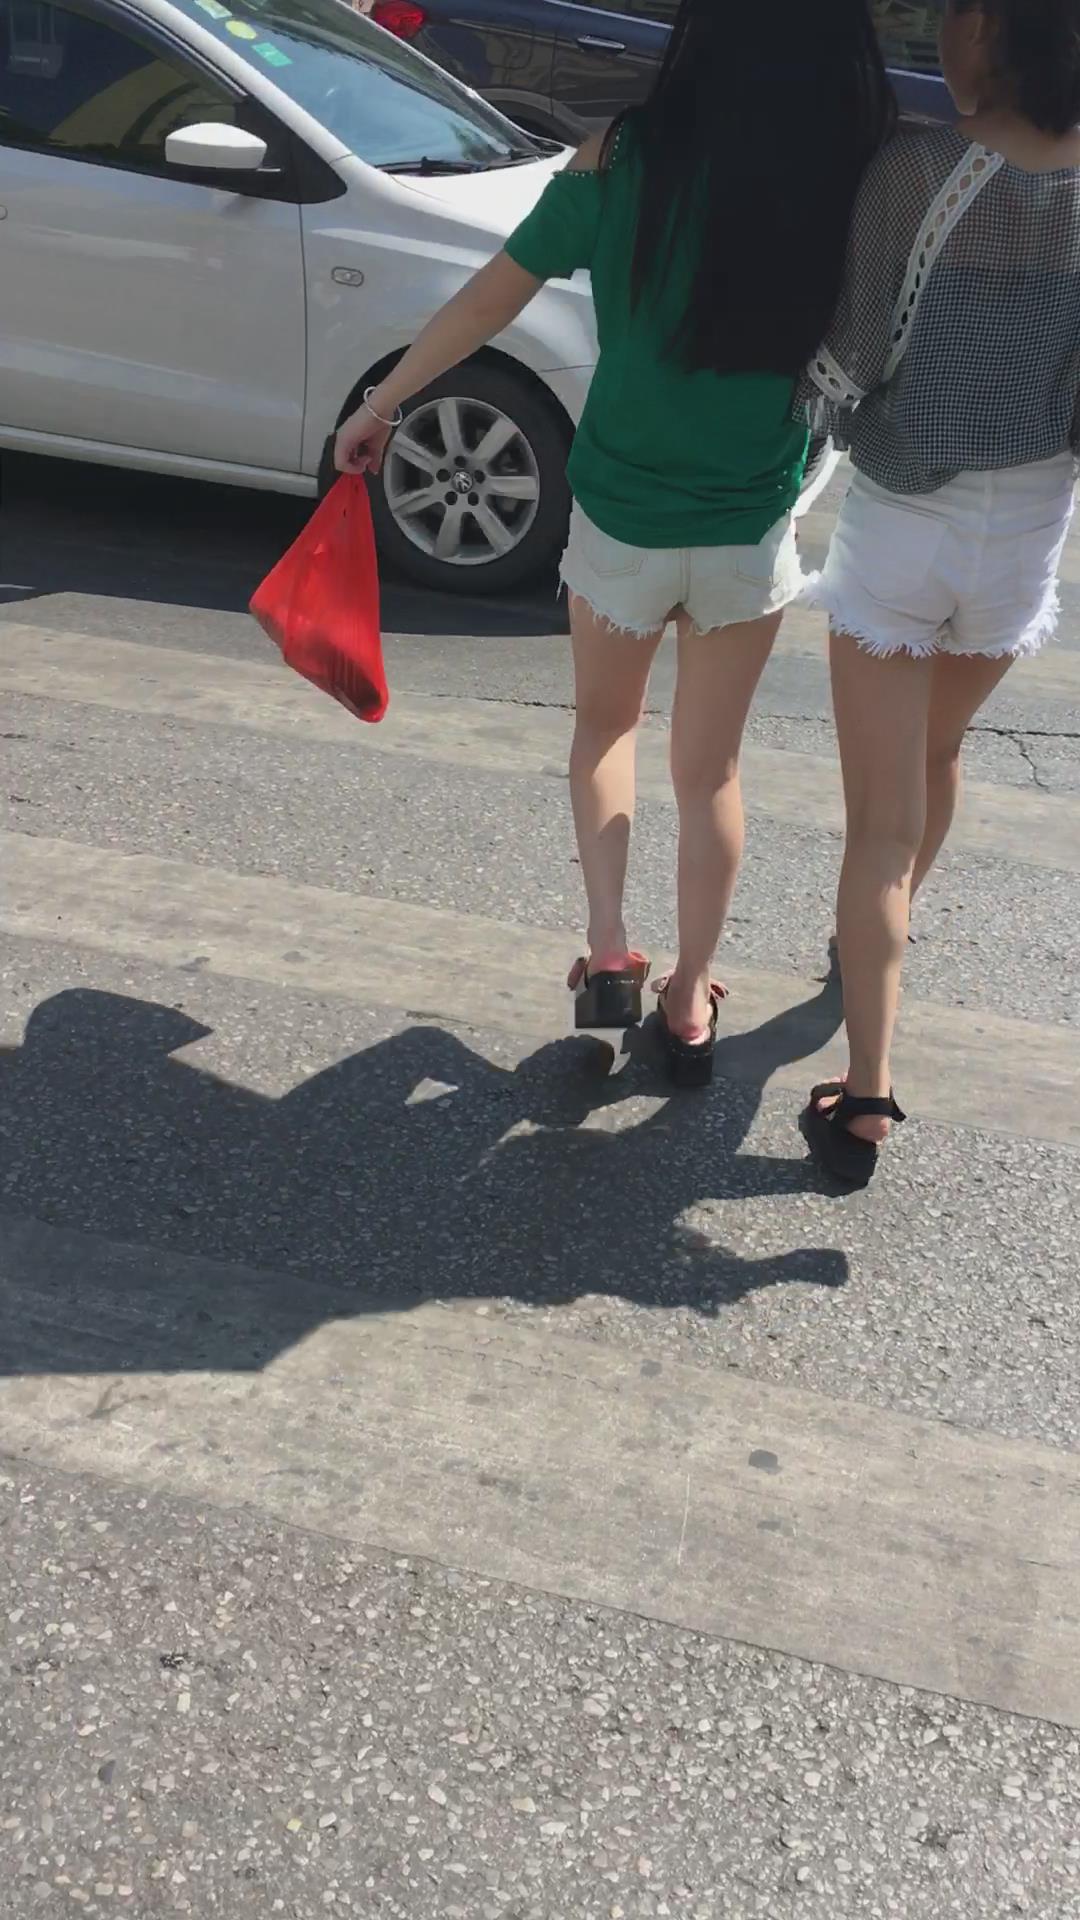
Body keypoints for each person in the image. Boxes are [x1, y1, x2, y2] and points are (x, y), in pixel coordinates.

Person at [335, 0, 894, 1086]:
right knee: (711, 770)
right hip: (746, 524)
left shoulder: (625, 157)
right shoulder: (850, 179)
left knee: (604, 729)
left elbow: (492, 299)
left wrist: (384, 403)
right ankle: (690, 999)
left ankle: (606, 951)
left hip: (620, 516)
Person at [798, 0, 1080, 1183]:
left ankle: (866, 1092)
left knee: (878, 826)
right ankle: (883, 936)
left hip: (906, 523)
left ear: (990, 32)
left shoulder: (919, 170)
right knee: (939, 756)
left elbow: (851, 355)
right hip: (1028, 529)